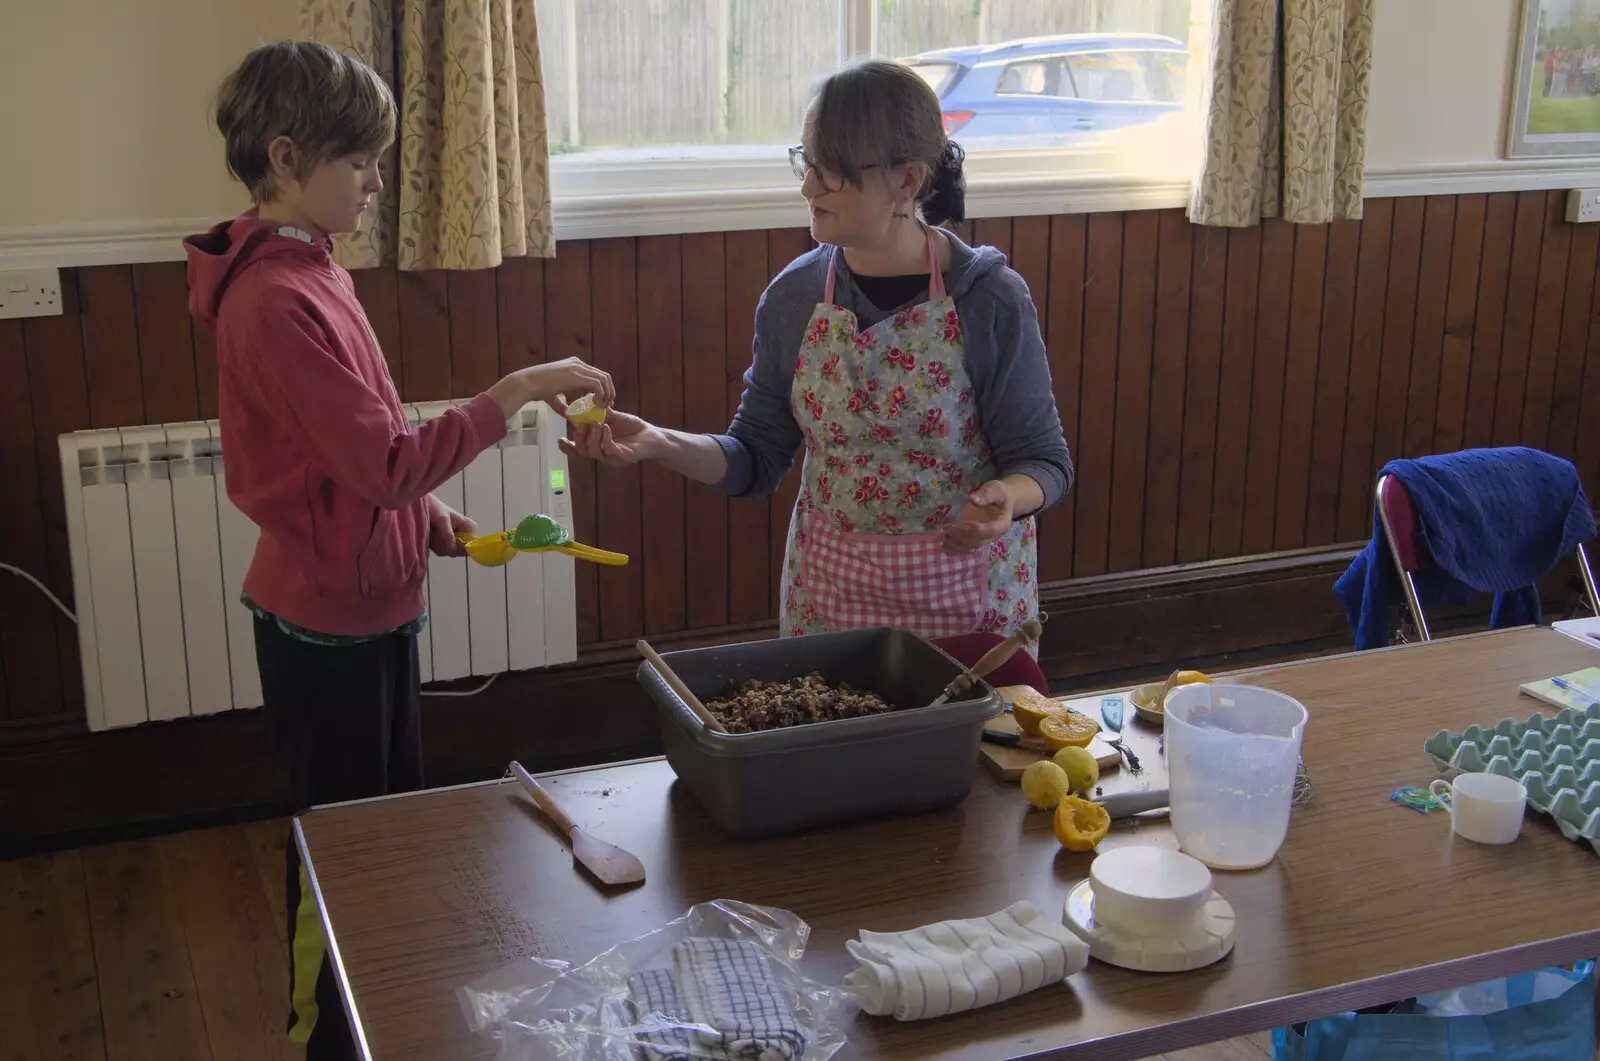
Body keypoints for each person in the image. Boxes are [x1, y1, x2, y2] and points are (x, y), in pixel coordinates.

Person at [184, 41, 612, 1061]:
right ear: (287, 156)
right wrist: (513, 389)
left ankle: (379, 1012)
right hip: (322, 626)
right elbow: (379, 458)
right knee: (337, 847)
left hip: (368, 604)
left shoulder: (310, 269)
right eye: (363, 161)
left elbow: (347, 451)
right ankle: (321, 1036)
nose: (378, 181)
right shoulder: (274, 297)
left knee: (389, 831)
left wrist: (425, 519)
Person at [565, 60, 1072, 643]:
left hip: (967, 601)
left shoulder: (989, 299)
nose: (808, 188)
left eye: (831, 174)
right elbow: (755, 458)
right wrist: (659, 442)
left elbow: (1046, 463)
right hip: (832, 598)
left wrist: (1008, 496)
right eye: (807, 165)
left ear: (908, 180)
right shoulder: (796, 295)